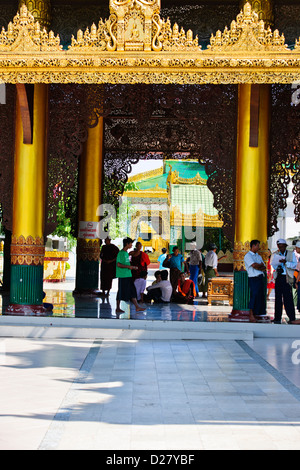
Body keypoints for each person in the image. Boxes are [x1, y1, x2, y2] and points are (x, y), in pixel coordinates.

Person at [116, 237, 146, 314]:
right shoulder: (121, 253)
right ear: (127, 244)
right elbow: (118, 264)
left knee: (132, 291)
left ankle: (137, 306)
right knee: (121, 291)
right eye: (130, 243)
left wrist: (132, 267)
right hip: (123, 275)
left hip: (128, 274)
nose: (132, 245)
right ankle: (118, 308)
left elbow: (126, 264)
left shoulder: (126, 253)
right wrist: (129, 267)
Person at [271, 238, 297, 324]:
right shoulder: (275, 254)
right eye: (279, 246)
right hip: (279, 277)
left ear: (285, 246)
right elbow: (273, 265)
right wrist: (277, 265)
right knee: (278, 298)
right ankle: (277, 318)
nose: (281, 248)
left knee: (288, 298)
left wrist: (286, 262)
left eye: (282, 246)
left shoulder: (291, 254)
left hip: (287, 277)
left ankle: (292, 317)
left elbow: (294, 265)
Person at [244, 240, 267, 323]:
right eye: (257, 245)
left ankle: (258, 313)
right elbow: (254, 266)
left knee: (260, 296)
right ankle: (251, 314)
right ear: (253, 246)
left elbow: (263, 267)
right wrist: (259, 265)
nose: (258, 247)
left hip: (260, 277)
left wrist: (259, 266)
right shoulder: (248, 256)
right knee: (254, 295)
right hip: (253, 278)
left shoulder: (258, 256)